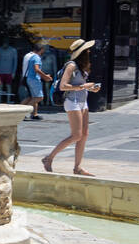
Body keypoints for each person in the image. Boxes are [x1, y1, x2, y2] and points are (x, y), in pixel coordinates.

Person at [41, 39, 100, 176]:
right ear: (82, 52)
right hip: (71, 101)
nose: (89, 51)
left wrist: (91, 89)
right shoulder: (71, 65)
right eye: (87, 50)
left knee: (84, 134)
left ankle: (77, 167)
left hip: (82, 101)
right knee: (76, 135)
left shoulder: (81, 66)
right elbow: (63, 86)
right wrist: (84, 86)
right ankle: (48, 158)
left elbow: (79, 84)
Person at [19, 40, 53, 120]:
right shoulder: (36, 57)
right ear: (41, 49)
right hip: (33, 79)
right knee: (39, 97)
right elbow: (36, 69)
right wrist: (46, 77)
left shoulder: (27, 55)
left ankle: (34, 114)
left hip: (25, 78)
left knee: (32, 97)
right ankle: (22, 113)